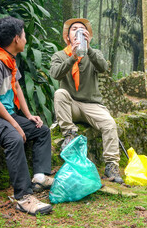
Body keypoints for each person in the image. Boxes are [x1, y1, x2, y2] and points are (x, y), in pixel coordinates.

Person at [0, 16, 53, 216]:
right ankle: (23, 197)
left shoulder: (9, 59)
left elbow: (16, 86)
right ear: (16, 38)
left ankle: (40, 177)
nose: (26, 39)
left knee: (41, 130)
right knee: (14, 139)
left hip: (4, 113)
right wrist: (16, 125)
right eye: (24, 35)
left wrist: (28, 115)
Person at [50, 18, 123, 184]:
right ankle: (69, 134)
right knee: (60, 93)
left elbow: (103, 67)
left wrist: (88, 49)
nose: (78, 31)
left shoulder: (94, 54)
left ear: (88, 35)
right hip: (71, 106)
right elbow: (55, 74)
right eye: (74, 29)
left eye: (82, 30)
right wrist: (72, 57)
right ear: (68, 36)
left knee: (110, 124)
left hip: (92, 105)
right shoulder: (60, 55)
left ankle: (111, 165)